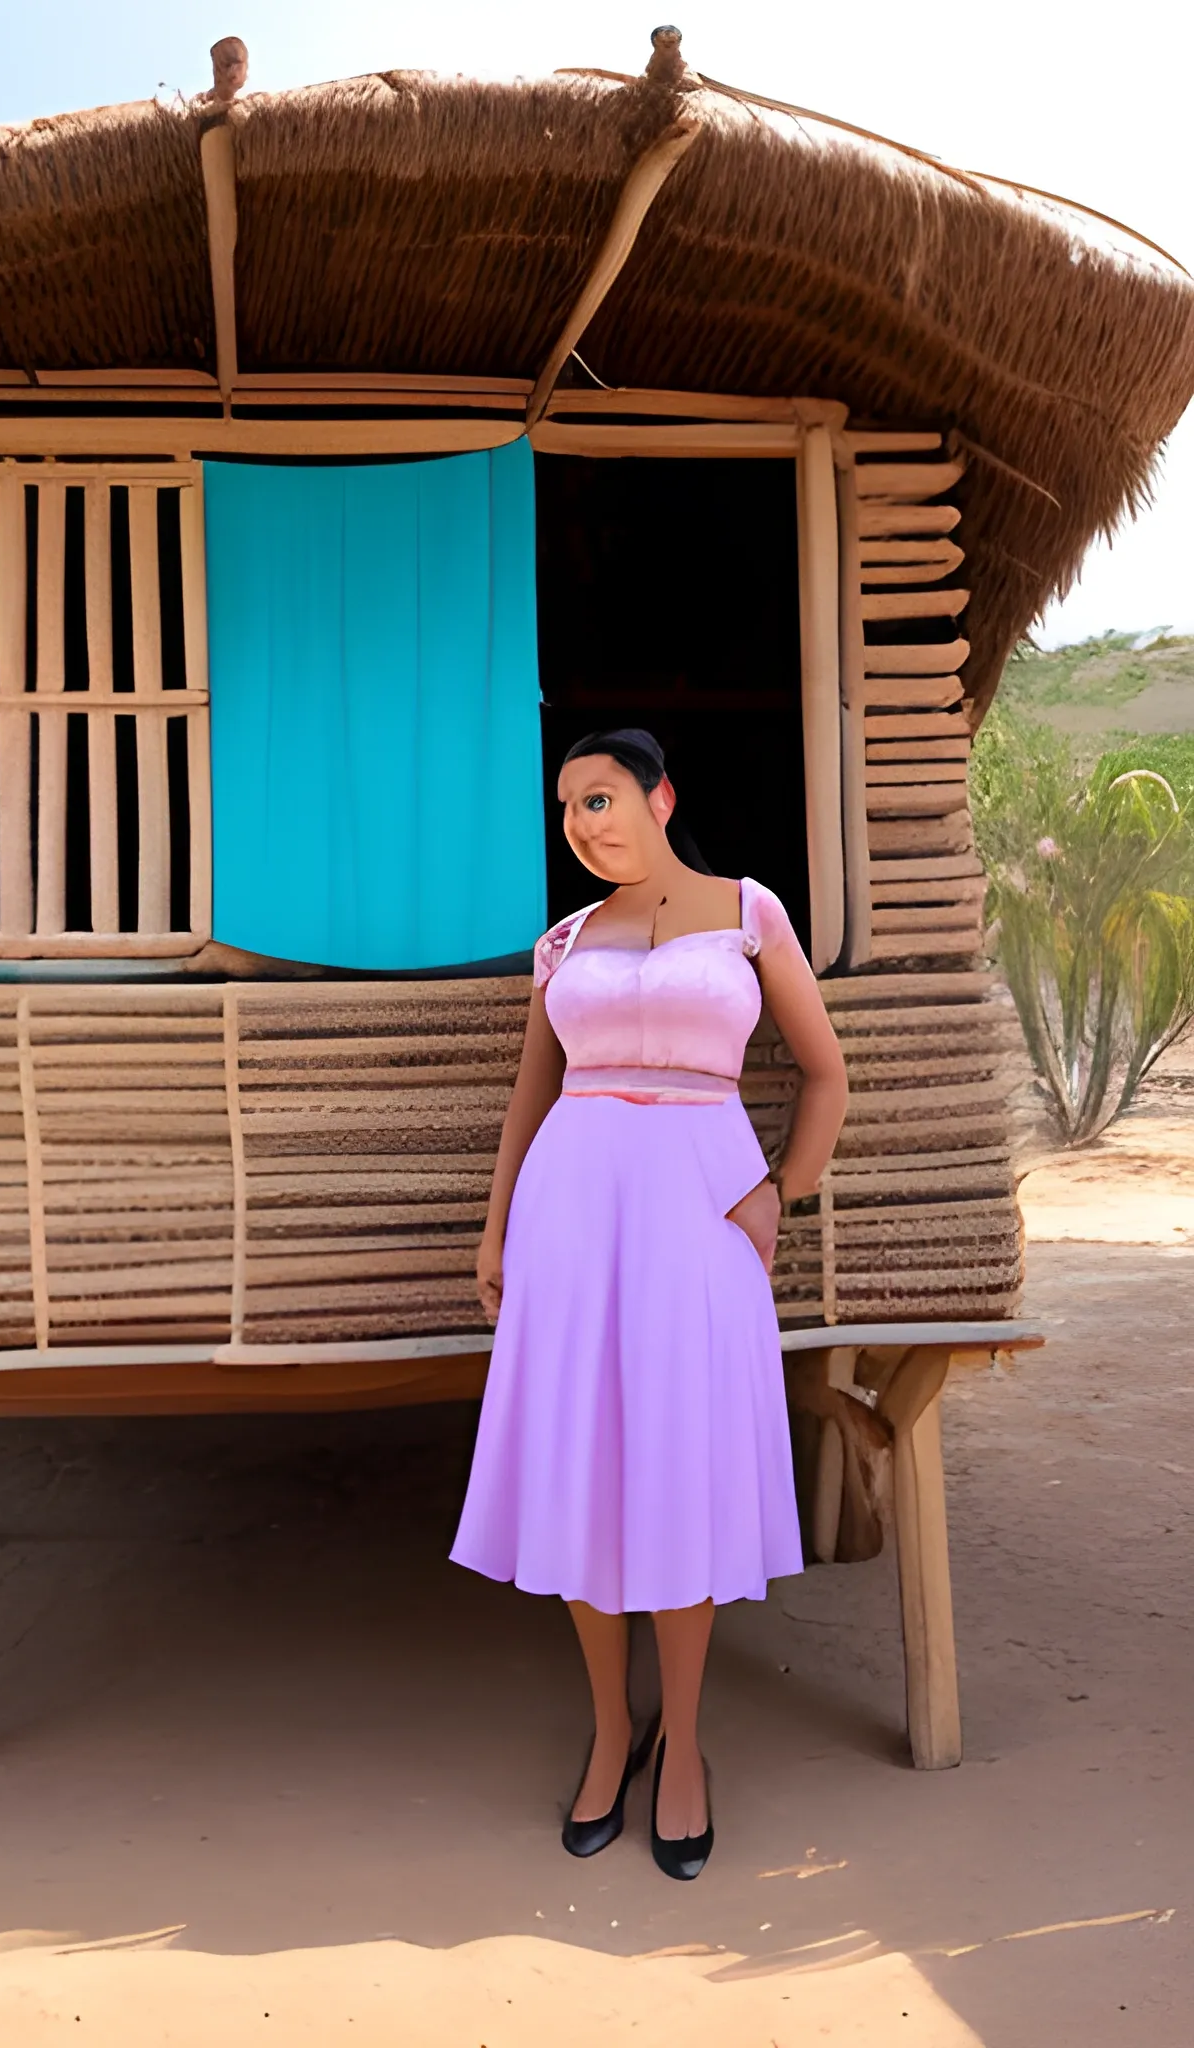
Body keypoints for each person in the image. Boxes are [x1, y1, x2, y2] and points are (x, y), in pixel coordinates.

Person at [451, 728, 847, 1880]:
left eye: (603, 797)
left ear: (660, 795)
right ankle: (610, 1726)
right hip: (568, 1216)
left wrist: (781, 1189)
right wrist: (494, 1227)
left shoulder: (747, 912)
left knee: (678, 1464)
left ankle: (682, 1738)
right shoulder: (562, 941)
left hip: (697, 1218)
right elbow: (529, 1100)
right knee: (581, 1464)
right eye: (568, 807)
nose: (583, 822)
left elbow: (823, 1069)